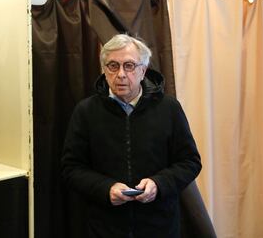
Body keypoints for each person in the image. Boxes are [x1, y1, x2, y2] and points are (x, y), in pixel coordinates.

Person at [61, 34, 202, 238]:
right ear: (103, 69)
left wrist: (159, 184)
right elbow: (71, 168)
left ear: (143, 70)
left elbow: (190, 162)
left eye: (129, 65)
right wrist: (105, 188)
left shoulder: (169, 108)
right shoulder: (86, 111)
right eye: (113, 66)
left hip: (159, 226)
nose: (121, 74)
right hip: (104, 227)